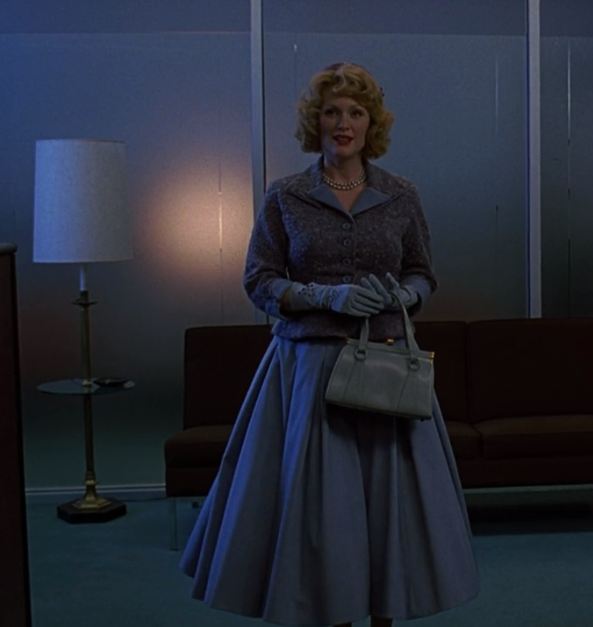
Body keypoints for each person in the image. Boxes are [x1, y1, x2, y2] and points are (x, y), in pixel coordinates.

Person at [180, 62, 479, 627]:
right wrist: (323, 297)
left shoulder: (401, 195)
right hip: (308, 371)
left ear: (372, 124)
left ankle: (385, 613)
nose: (344, 123)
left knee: (389, 512)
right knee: (322, 513)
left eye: (356, 112)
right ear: (314, 122)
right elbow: (259, 281)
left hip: (387, 369)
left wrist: (404, 296)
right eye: (333, 111)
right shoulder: (285, 196)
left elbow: (422, 273)